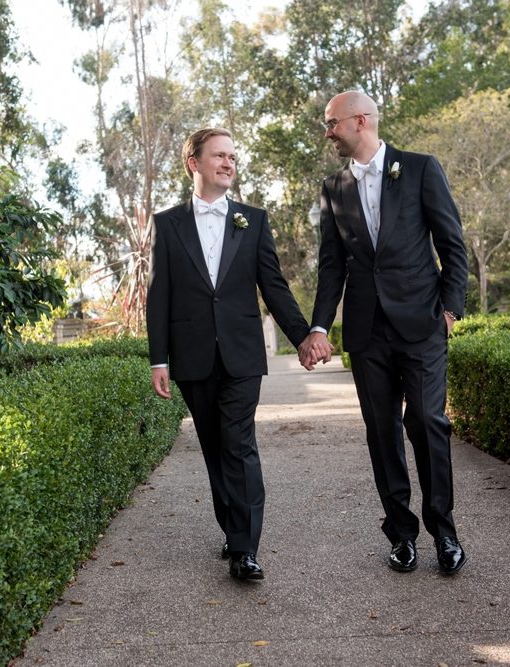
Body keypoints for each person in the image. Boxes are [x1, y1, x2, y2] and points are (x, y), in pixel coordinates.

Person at [298, 91, 470, 575]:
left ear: (360, 120)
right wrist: (318, 326)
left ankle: (445, 530)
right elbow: (332, 267)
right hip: (367, 332)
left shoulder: (419, 168)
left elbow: (452, 244)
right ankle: (401, 533)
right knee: (382, 432)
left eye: (332, 123)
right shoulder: (334, 187)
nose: (327, 132)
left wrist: (450, 310)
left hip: (422, 325)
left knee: (428, 424)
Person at [147, 128, 311, 581]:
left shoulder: (252, 220)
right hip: (191, 355)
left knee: (239, 445)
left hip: (241, 355)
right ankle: (232, 529)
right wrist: (158, 358)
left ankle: (245, 548)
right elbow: (158, 294)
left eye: (233, 156)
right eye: (219, 155)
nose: (228, 162)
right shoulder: (167, 223)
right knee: (214, 449)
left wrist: (301, 336)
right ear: (193, 163)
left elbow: (273, 287)